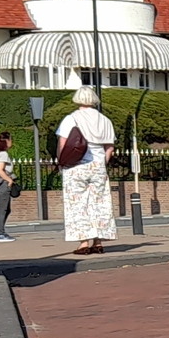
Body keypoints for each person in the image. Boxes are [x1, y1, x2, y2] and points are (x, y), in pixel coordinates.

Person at [56, 86, 115, 254]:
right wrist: (101, 163)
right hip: (98, 166)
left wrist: (62, 162)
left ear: (77, 99)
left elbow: (63, 144)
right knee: (100, 203)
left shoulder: (71, 119)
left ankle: (83, 243)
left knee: (77, 204)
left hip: (76, 166)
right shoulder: (105, 120)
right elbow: (110, 147)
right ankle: (98, 241)